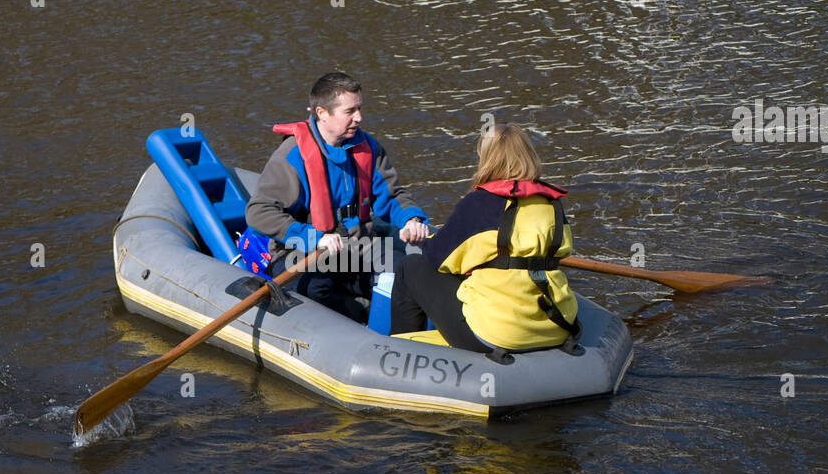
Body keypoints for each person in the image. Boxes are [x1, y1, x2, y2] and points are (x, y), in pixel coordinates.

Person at [244, 72, 429, 321]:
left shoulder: (369, 148)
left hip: (359, 243)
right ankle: (358, 314)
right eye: (350, 111)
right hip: (304, 250)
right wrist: (313, 238)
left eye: (359, 108)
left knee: (400, 273)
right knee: (312, 290)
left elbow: (392, 196)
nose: (359, 118)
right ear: (322, 113)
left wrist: (410, 218)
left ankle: (387, 320)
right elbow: (258, 211)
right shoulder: (291, 156)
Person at [389, 123, 579, 354]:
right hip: (556, 326)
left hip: (498, 333)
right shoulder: (552, 204)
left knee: (410, 267)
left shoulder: (479, 203)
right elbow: (561, 250)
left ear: (488, 159)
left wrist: (427, 240)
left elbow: (437, 259)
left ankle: (396, 353)